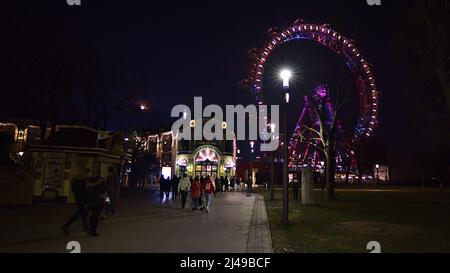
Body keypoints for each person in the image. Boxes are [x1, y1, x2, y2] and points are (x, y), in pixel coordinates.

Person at [61, 168, 91, 235]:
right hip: (83, 198)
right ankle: (66, 226)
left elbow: (73, 189)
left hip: (78, 197)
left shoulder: (75, 178)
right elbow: (87, 190)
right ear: (86, 173)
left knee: (82, 212)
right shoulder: (85, 180)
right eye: (89, 173)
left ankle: (86, 227)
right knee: (80, 213)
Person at [86, 171, 107, 237]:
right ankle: (93, 231)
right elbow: (105, 190)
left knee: (92, 213)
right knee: (96, 215)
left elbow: (86, 189)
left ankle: (89, 227)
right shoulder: (102, 181)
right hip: (98, 199)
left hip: (90, 199)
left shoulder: (88, 180)